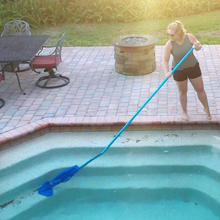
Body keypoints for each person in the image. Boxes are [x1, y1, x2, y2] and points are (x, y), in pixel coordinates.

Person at [162, 20, 212, 121]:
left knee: (200, 89)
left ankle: (206, 108)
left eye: (172, 34)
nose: (170, 36)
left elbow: (198, 47)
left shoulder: (189, 37)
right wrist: (167, 72)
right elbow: (165, 60)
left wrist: (198, 46)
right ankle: (185, 112)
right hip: (179, 70)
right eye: (168, 34)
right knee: (183, 92)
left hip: (193, 67)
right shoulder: (170, 44)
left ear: (179, 33)